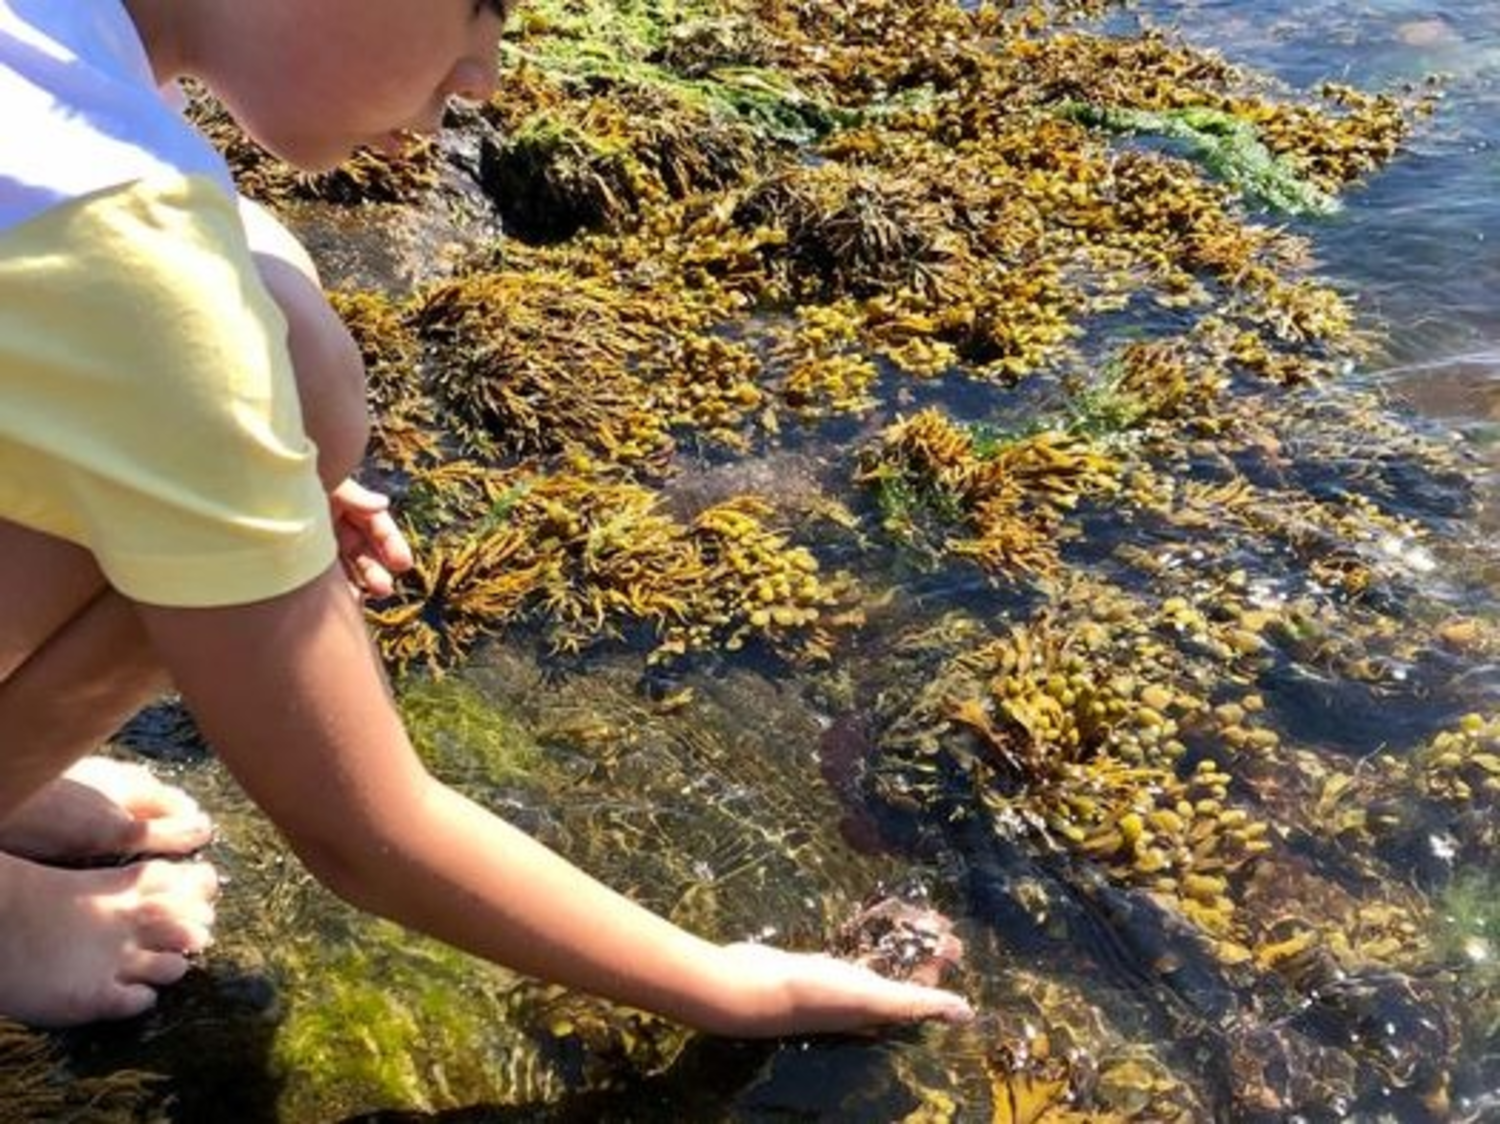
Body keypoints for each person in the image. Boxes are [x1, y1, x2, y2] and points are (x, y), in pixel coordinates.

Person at [0, 0, 974, 1037]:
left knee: (280, 336)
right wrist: (734, 988)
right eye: (482, 8)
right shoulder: (124, 251)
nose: (487, 78)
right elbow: (361, 826)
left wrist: (221, 464)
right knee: (255, 349)